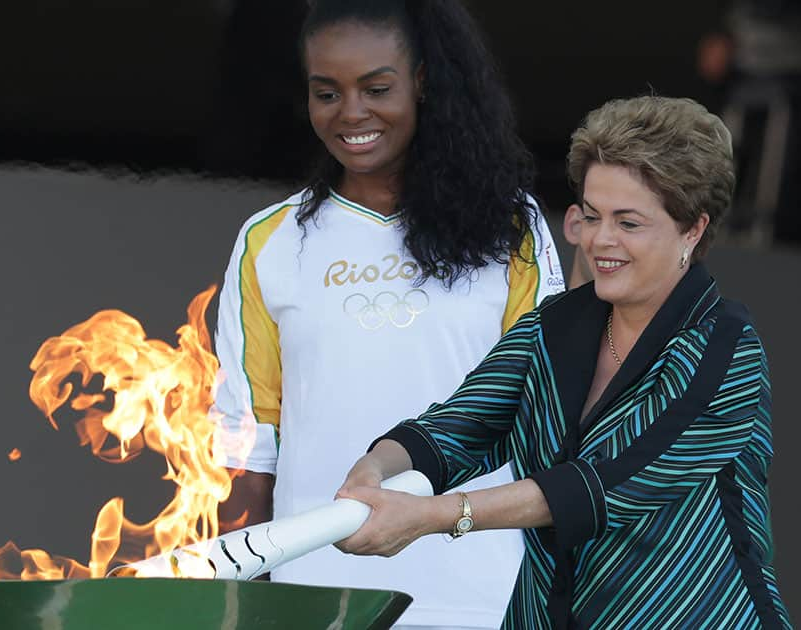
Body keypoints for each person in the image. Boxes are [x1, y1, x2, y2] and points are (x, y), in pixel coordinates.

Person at [335, 95, 793, 629]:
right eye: (593, 216)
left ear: (692, 229)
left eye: (629, 223)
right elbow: (455, 429)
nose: (602, 240)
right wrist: (375, 468)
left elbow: (605, 486)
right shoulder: (549, 327)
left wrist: (436, 517)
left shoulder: (725, 347)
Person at [211, 1, 564, 627]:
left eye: (377, 88)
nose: (352, 113)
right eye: (327, 93)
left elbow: (545, 417)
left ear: (423, 81)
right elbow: (251, 448)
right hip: (316, 601)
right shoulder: (270, 241)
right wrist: (246, 602)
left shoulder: (512, 227)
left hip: (479, 595)